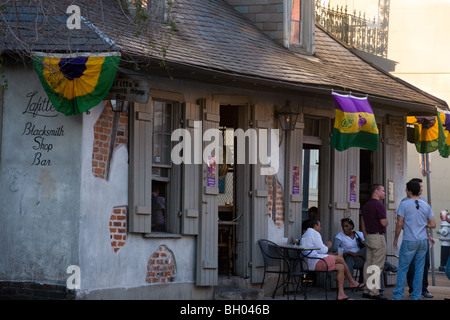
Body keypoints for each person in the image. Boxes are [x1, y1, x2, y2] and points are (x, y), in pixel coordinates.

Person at [393, 180, 436, 300]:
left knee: (403, 268)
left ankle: (398, 295)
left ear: (410, 191)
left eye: (407, 189)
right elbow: (433, 224)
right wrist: (423, 224)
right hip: (422, 241)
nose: (406, 191)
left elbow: (399, 223)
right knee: (419, 269)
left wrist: (396, 238)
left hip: (409, 240)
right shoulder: (425, 205)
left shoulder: (404, 204)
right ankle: (416, 296)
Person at [301, 218, 364, 300]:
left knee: (340, 267)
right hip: (314, 262)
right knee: (341, 259)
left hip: (308, 261)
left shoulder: (306, 234)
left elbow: (314, 251)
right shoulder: (314, 233)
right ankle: (352, 282)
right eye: (319, 225)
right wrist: (328, 246)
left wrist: (332, 254)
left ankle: (341, 295)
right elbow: (323, 250)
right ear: (315, 226)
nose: (320, 228)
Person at [361, 184, 388, 300]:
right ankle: (374, 292)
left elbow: (362, 224)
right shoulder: (379, 205)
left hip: (369, 236)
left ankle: (367, 290)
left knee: (368, 264)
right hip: (378, 236)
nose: (385, 193)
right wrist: (387, 221)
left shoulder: (366, 206)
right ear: (376, 191)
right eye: (383, 190)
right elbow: (383, 223)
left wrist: (365, 236)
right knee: (377, 265)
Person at [332, 218, 366, 282]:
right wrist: (349, 252)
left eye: (346, 226)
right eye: (343, 226)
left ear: (351, 226)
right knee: (349, 258)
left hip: (360, 257)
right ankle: (352, 281)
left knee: (369, 250)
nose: (344, 228)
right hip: (349, 257)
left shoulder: (358, 234)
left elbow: (366, 245)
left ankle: (361, 283)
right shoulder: (340, 235)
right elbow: (335, 248)